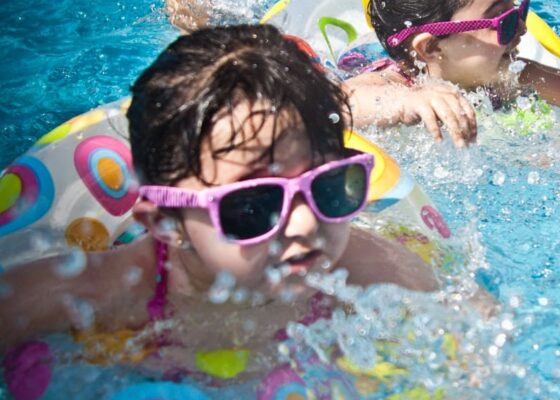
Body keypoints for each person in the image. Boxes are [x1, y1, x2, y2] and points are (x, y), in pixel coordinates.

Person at [0, 24, 437, 377]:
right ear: (165, 222)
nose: (305, 225)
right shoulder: (99, 295)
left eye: (328, 187)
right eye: (254, 206)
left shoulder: (367, 269)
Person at [345, 0, 560, 148]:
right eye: (504, 22)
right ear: (431, 47)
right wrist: (407, 102)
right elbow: (335, 105)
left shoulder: (510, 74)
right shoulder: (395, 83)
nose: (522, 30)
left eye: (518, 11)